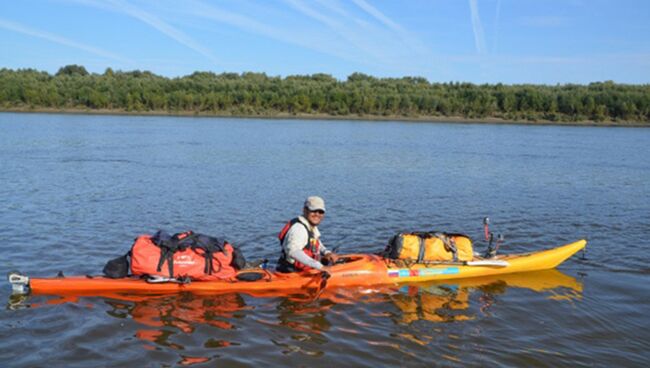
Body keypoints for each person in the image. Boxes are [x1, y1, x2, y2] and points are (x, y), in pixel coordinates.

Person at [277, 196, 338, 272]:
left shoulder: (310, 225)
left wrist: (327, 252)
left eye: (320, 212)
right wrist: (320, 267)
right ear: (305, 210)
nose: (317, 214)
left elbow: (316, 242)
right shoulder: (299, 229)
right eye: (313, 211)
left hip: (305, 268)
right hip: (292, 272)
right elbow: (293, 251)